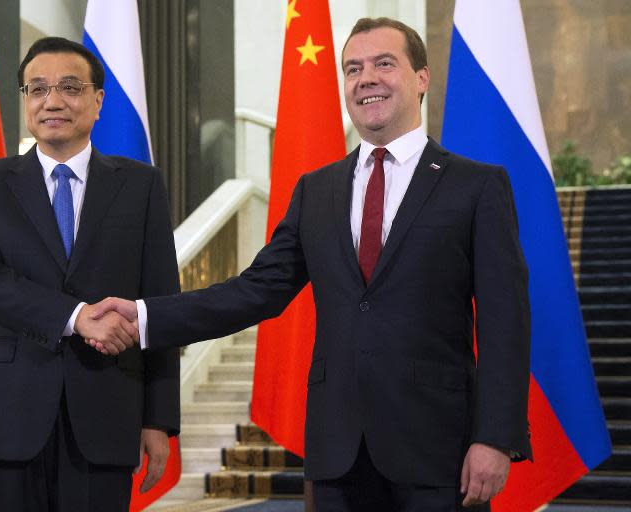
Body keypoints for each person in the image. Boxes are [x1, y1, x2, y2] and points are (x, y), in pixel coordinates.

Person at [91, 17, 532, 511]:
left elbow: (505, 323)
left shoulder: (475, 186)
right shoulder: (316, 191)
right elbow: (255, 291)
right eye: (353, 69)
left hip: (438, 451)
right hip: (337, 454)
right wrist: (146, 315)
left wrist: (494, 436)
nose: (366, 78)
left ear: (422, 77)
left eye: (384, 64)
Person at [0, 37, 180, 512]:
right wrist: (75, 316)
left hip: (106, 411)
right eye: (37, 89)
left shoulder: (140, 186)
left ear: (98, 100)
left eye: (70, 87)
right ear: (25, 101)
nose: (52, 101)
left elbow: (160, 304)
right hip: (8, 416)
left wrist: (159, 419)